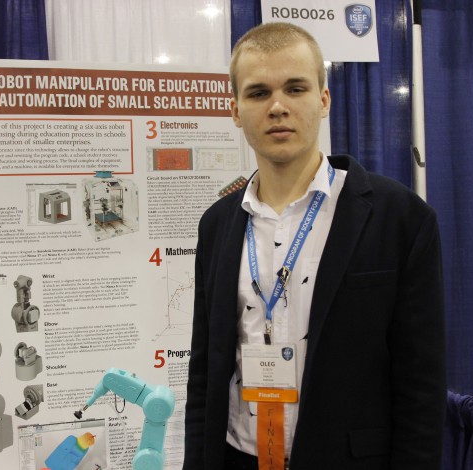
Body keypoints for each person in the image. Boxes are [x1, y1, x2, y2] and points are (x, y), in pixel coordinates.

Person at [183, 22, 445, 469]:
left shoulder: (400, 217)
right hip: (236, 456)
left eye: (295, 88)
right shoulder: (217, 225)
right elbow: (204, 370)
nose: (277, 107)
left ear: (323, 100)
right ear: (236, 110)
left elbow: (421, 385)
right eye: (258, 92)